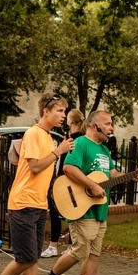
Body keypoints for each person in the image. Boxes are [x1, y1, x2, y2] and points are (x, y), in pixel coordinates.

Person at [39, 110, 138, 275]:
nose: (111, 128)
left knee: (94, 254)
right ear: (94, 125)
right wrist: (92, 185)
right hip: (81, 207)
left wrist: (130, 175)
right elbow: (69, 168)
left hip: (99, 209)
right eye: (107, 123)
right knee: (80, 251)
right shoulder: (80, 144)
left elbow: (111, 173)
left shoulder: (104, 150)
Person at [0, 92, 74, 275]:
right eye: (59, 111)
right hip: (23, 203)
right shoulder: (34, 133)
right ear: (46, 112)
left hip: (37, 204)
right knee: (26, 257)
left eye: (64, 111)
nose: (63, 115)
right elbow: (34, 167)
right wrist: (58, 152)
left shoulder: (47, 137)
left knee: (32, 259)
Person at [41, 109, 86, 258]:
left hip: (65, 181)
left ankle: (59, 245)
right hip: (62, 179)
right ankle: (63, 245)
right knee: (59, 212)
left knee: (63, 212)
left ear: (71, 121)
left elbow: (68, 162)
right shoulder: (71, 137)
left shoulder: (76, 140)